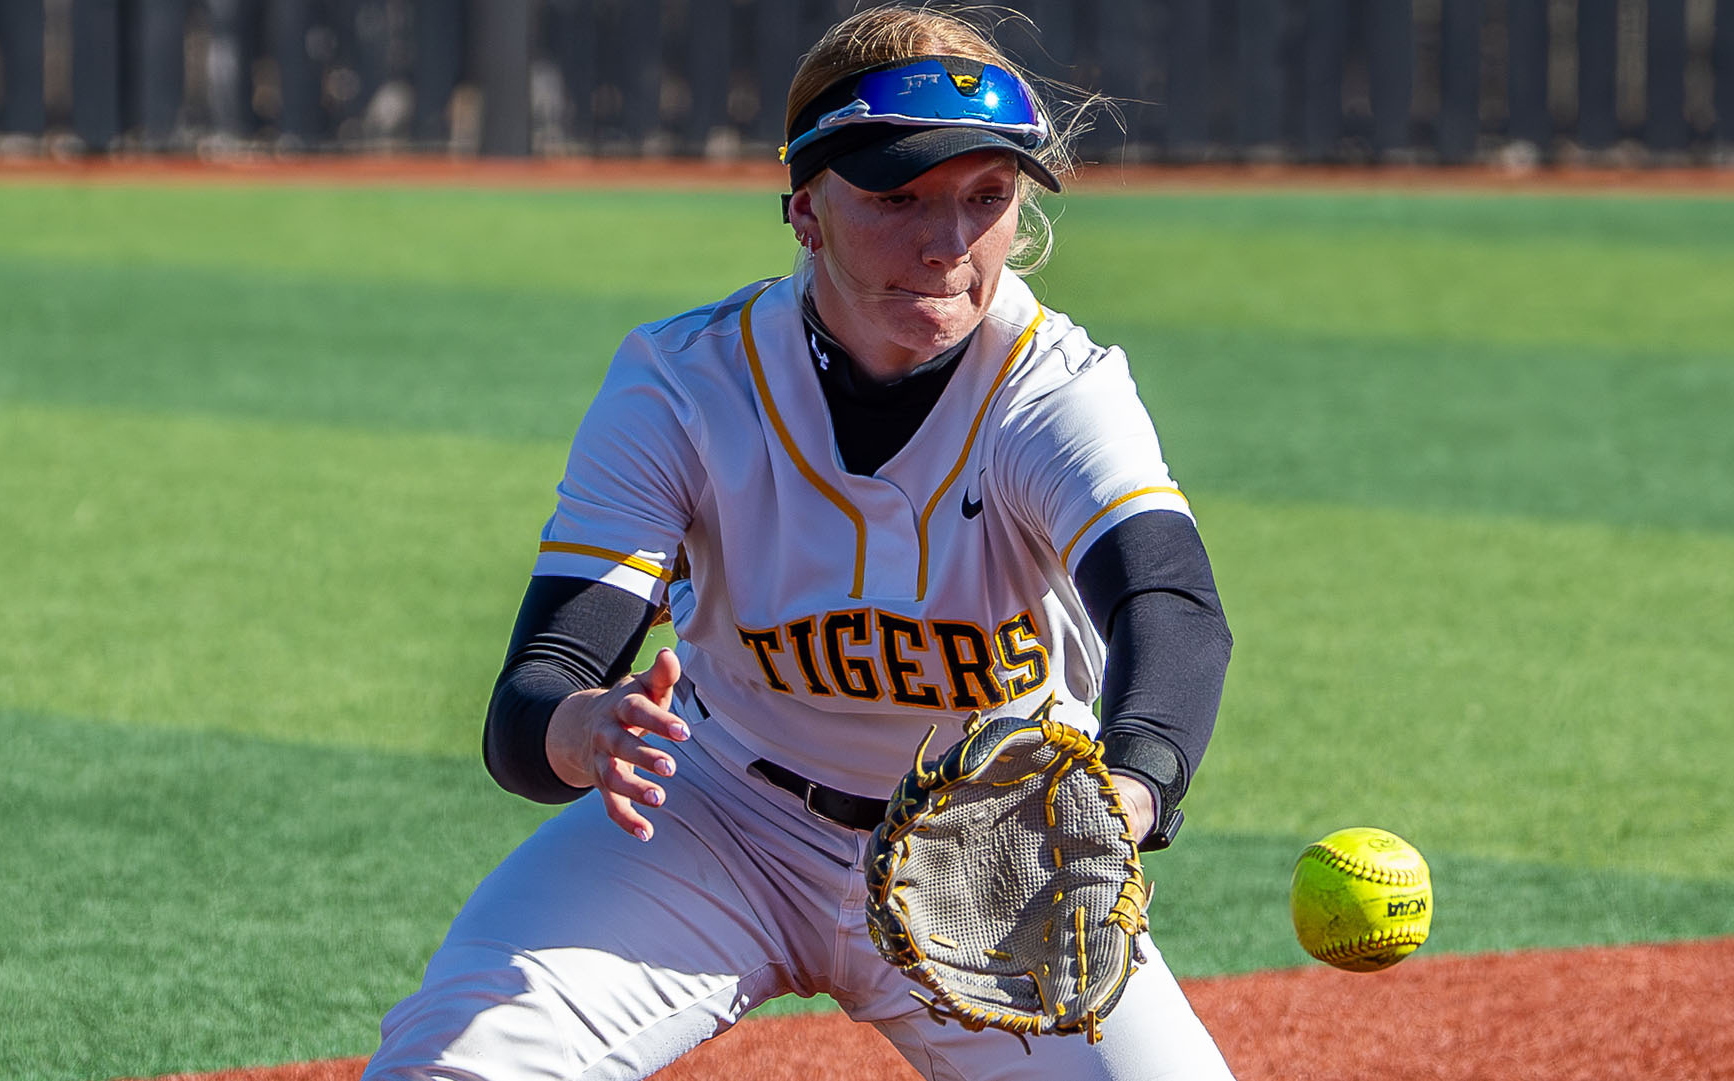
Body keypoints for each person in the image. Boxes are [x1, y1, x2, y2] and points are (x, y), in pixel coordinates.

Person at [364, 6, 1236, 1079]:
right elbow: (534, 694)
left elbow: (1166, 603)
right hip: (716, 817)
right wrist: (586, 728)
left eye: (986, 196)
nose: (947, 243)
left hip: (991, 859)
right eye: (897, 196)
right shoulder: (687, 385)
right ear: (805, 209)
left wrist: (1131, 787)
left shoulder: (1052, 389)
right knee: (448, 1065)